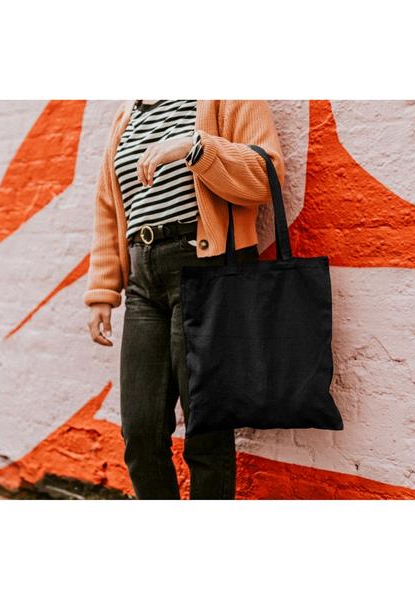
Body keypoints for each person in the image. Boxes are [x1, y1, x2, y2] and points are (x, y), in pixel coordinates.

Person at [84, 100, 285, 499]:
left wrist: (195, 148)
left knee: (205, 432)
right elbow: (110, 206)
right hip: (143, 281)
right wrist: (102, 290)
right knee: (140, 433)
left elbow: (267, 176)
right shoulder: (127, 114)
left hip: (204, 270)